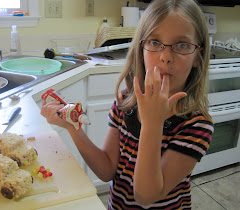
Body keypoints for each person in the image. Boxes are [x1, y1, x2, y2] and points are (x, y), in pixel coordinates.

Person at [40, 0, 214, 209]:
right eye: (155, 42)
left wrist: (151, 123)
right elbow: (107, 171)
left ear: (198, 56)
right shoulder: (126, 102)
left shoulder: (196, 125)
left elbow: (146, 196)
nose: (166, 57)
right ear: (141, 48)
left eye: (182, 45)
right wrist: (72, 127)